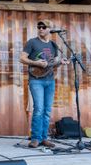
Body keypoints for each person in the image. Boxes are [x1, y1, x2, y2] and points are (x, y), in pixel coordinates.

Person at [20, 19, 68, 148]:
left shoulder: (53, 45)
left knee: (47, 110)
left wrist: (61, 62)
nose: (40, 29)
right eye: (39, 26)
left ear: (50, 29)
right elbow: (22, 58)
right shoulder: (32, 42)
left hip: (50, 80)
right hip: (36, 80)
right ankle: (35, 138)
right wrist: (36, 63)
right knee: (39, 109)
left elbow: (54, 63)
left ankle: (44, 138)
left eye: (43, 27)